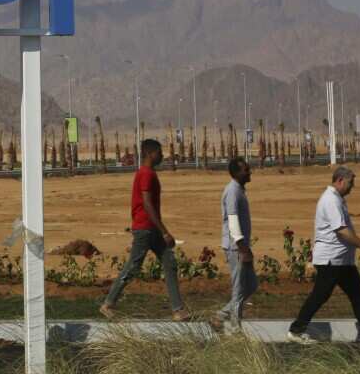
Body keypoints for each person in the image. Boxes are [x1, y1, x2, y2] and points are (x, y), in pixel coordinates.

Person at [286, 167, 360, 345]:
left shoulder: (337, 199)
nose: (352, 187)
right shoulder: (331, 200)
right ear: (340, 181)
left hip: (341, 260)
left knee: (357, 293)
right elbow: (341, 230)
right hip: (332, 259)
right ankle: (295, 331)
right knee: (320, 295)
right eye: (350, 183)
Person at [100, 138, 190, 321]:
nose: (162, 156)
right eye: (159, 152)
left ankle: (178, 309)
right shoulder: (146, 174)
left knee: (169, 263)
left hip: (151, 228)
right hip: (145, 228)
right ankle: (108, 303)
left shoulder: (147, 173)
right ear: (150, 153)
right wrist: (164, 231)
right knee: (133, 266)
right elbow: (147, 204)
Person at [210, 158, 257, 333]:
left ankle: (221, 315)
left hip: (242, 245)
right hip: (236, 247)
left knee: (251, 285)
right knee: (238, 290)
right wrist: (243, 248)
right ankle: (236, 329)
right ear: (237, 173)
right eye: (246, 170)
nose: (249, 172)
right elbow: (233, 219)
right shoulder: (232, 192)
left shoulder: (238, 190)